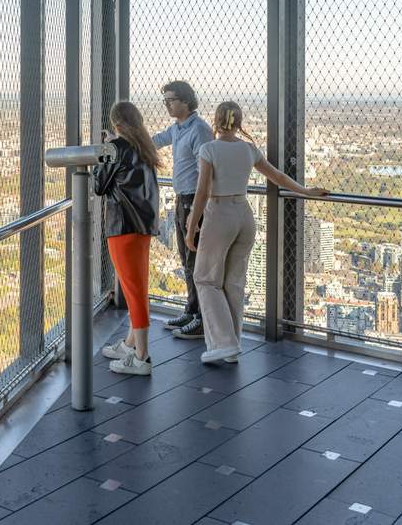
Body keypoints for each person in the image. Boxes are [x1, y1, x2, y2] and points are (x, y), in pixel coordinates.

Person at [187, 101, 328, 364]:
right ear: (239, 123)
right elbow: (278, 177)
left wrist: (191, 224)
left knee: (206, 279)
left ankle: (223, 343)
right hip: (244, 215)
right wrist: (306, 192)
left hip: (220, 213)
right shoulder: (249, 150)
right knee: (234, 283)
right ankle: (232, 345)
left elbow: (203, 192)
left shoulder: (209, 150)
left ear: (216, 122)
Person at [93, 101, 162, 376]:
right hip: (143, 226)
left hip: (122, 225)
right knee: (137, 285)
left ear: (116, 124)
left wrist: (106, 149)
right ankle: (132, 343)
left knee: (133, 290)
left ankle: (142, 357)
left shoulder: (116, 148)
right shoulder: (145, 148)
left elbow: (99, 185)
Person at [151, 80, 214, 339]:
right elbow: (155, 141)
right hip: (182, 200)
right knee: (186, 260)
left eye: (171, 100)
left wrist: (196, 213)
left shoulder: (199, 130)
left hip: (192, 201)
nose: (167, 104)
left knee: (195, 261)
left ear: (186, 101)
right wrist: (123, 139)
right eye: (164, 100)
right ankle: (192, 310)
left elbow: (205, 175)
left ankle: (201, 319)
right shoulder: (178, 128)